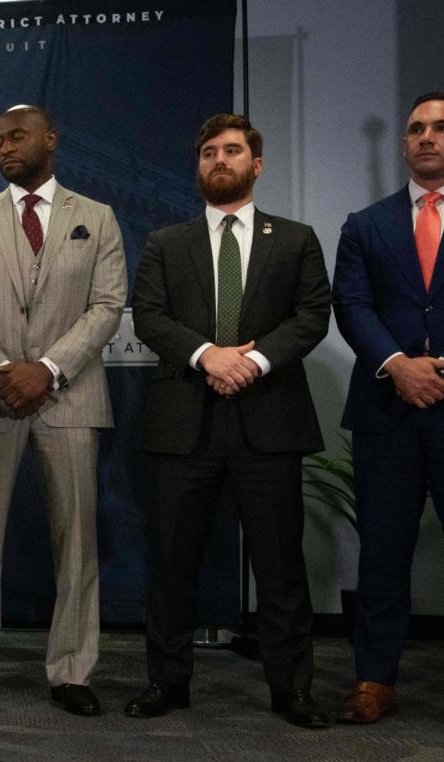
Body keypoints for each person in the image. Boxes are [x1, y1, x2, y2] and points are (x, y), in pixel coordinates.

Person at [128, 114, 331, 728]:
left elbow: (312, 314)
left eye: (233, 151)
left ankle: (291, 689)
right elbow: (149, 316)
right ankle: (168, 683)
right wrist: (207, 355)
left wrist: (254, 361)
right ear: (198, 167)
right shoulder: (167, 241)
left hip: (266, 421)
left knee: (279, 565)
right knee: (171, 561)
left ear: (256, 165)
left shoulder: (294, 239)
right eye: (209, 152)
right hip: (184, 418)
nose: (221, 160)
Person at [0, 105, 125, 716]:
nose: (4, 148)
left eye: (16, 137)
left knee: (77, 542)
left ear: (50, 139)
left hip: (69, 398)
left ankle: (71, 672)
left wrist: (46, 370)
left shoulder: (96, 218)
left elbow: (107, 305)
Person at [334, 91, 444, 724]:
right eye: (416, 129)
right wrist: (398, 366)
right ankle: (374, 680)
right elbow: (352, 305)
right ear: (405, 144)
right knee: (382, 553)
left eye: (437, 127)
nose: (426, 137)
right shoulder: (366, 224)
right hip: (387, 408)